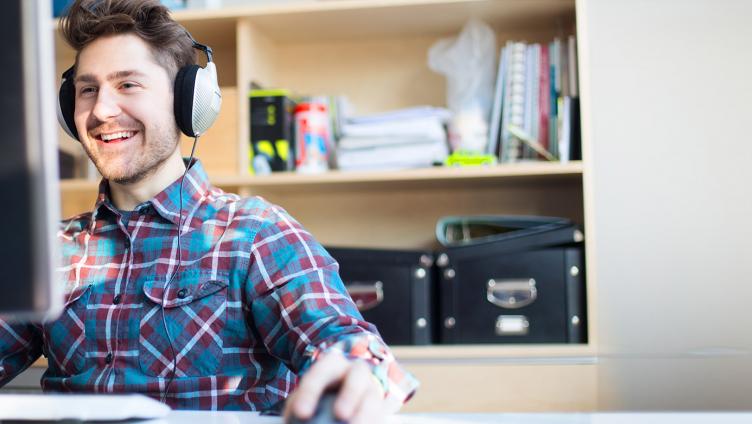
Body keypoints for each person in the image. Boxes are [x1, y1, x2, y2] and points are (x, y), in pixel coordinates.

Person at [0, 0, 418, 422]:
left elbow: (348, 343)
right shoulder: (48, 249)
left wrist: (359, 374)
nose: (103, 111)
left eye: (128, 85)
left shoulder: (255, 233)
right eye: (88, 90)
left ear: (189, 103)